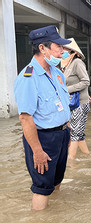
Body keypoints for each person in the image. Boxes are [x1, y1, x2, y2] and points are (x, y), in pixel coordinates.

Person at [13, 25, 71, 210]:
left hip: (61, 135)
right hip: (43, 139)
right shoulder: (28, 77)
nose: (62, 51)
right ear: (42, 48)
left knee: (57, 179)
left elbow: (62, 103)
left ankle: (56, 215)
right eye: (58, 47)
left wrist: (66, 131)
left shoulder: (56, 73)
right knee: (42, 186)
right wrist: (37, 151)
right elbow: (25, 118)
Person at [61, 38, 91, 160]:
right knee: (78, 134)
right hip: (72, 104)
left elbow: (86, 81)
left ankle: (71, 163)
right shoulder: (65, 65)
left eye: (64, 49)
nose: (62, 51)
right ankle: (87, 156)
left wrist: (66, 90)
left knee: (74, 134)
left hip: (80, 104)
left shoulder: (77, 63)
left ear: (73, 52)